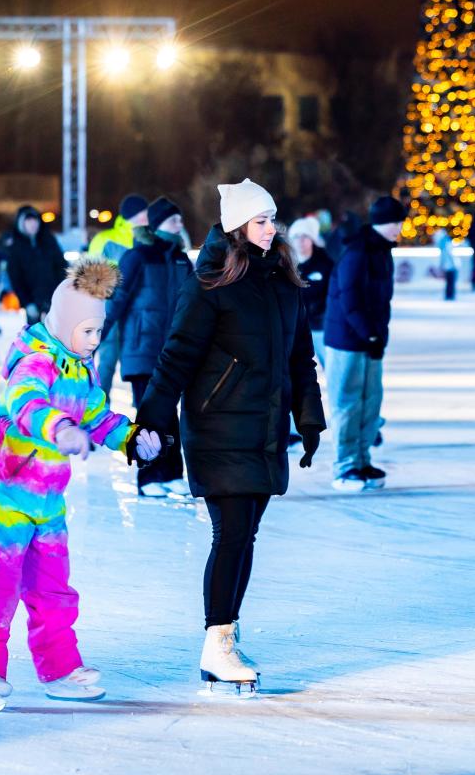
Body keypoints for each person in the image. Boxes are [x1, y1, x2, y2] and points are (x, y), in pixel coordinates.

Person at [136, 178, 325, 697]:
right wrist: (150, 420)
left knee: (246, 535)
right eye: (261, 221)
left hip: (263, 428)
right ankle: (216, 644)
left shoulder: (284, 281)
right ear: (238, 224)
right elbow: (175, 357)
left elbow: (299, 358)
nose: (271, 230)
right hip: (218, 424)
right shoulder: (209, 283)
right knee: (233, 533)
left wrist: (309, 419)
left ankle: (226, 633)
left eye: (273, 220)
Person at [0, 257, 164, 713]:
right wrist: (61, 430)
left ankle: (60, 669)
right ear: (66, 323)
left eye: (98, 331)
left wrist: (131, 439)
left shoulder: (80, 367)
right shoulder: (37, 361)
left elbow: (98, 416)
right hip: (5, 486)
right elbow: (26, 403)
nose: (95, 340)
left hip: (47, 495)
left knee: (53, 584)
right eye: (87, 331)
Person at [108, 196, 193, 497]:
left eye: (181, 221)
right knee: (151, 414)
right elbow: (115, 299)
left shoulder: (182, 260)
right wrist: (95, 335)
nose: (179, 225)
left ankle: (171, 473)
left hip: (173, 352)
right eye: (173, 221)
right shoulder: (138, 257)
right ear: (156, 226)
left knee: (170, 411)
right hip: (142, 348)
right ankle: (149, 477)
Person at [323, 195, 404, 492]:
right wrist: (368, 333)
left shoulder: (383, 251)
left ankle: (362, 459)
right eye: (396, 222)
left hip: (371, 339)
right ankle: (344, 466)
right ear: (383, 223)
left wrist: (378, 335)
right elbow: (349, 297)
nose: (400, 228)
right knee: (347, 403)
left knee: (370, 403)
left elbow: (382, 299)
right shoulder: (357, 251)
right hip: (347, 340)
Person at [88, 194, 149, 398]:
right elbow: (92, 276)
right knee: (107, 360)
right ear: (133, 215)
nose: (146, 216)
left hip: (140, 311)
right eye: (142, 213)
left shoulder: (150, 237)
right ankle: (99, 405)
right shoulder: (105, 239)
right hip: (112, 308)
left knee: (140, 361)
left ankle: (142, 407)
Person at [3, 205, 67, 327]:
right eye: (28, 221)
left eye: (35, 220)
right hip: (32, 300)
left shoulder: (49, 240)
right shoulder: (16, 247)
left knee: (55, 334)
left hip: (53, 298)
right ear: (22, 224)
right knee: (35, 337)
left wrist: (62, 292)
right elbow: (16, 278)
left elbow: (61, 266)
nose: (33, 224)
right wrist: (27, 302)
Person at [288, 217, 334, 367]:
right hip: (294, 329)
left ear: (312, 239)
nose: (300, 240)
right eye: (296, 236)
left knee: (332, 369)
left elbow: (333, 295)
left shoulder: (326, 265)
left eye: (305, 236)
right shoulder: (285, 266)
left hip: (321, 328)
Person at [435, 228, 458, 301]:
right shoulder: (445, 243)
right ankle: (450, 296)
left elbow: (450, 255)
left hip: (451, 266)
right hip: (450, 266)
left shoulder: (445, 244)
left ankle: (450, 296)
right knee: (450, 282)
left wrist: (454, 264)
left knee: (450, 282)